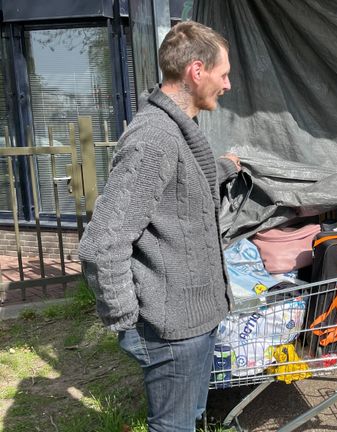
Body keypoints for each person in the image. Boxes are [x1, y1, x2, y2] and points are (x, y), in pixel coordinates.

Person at [78, 21, 239, 430]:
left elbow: (176, 187)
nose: (228, 85)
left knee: (192, 418)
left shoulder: (175, 132)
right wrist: (128, 323)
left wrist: (223, 168)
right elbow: (102, 244)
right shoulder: (154, 138)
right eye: (224, 75)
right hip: (170, 332)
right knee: (174, 427)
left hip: (194, 322)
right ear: (196, 71)